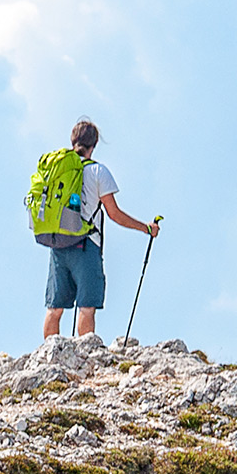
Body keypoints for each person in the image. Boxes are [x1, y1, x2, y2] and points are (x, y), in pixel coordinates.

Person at [42, 120, 158, 340]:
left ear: (72, 140)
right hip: (86, 245)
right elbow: (114, 214)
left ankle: (47, 360)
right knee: (86, 306)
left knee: (54, 308)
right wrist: (145, 228)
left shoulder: (56, 171)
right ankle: (86, 358)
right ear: (94, 144)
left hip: (57, 244)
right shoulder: (97, 171)